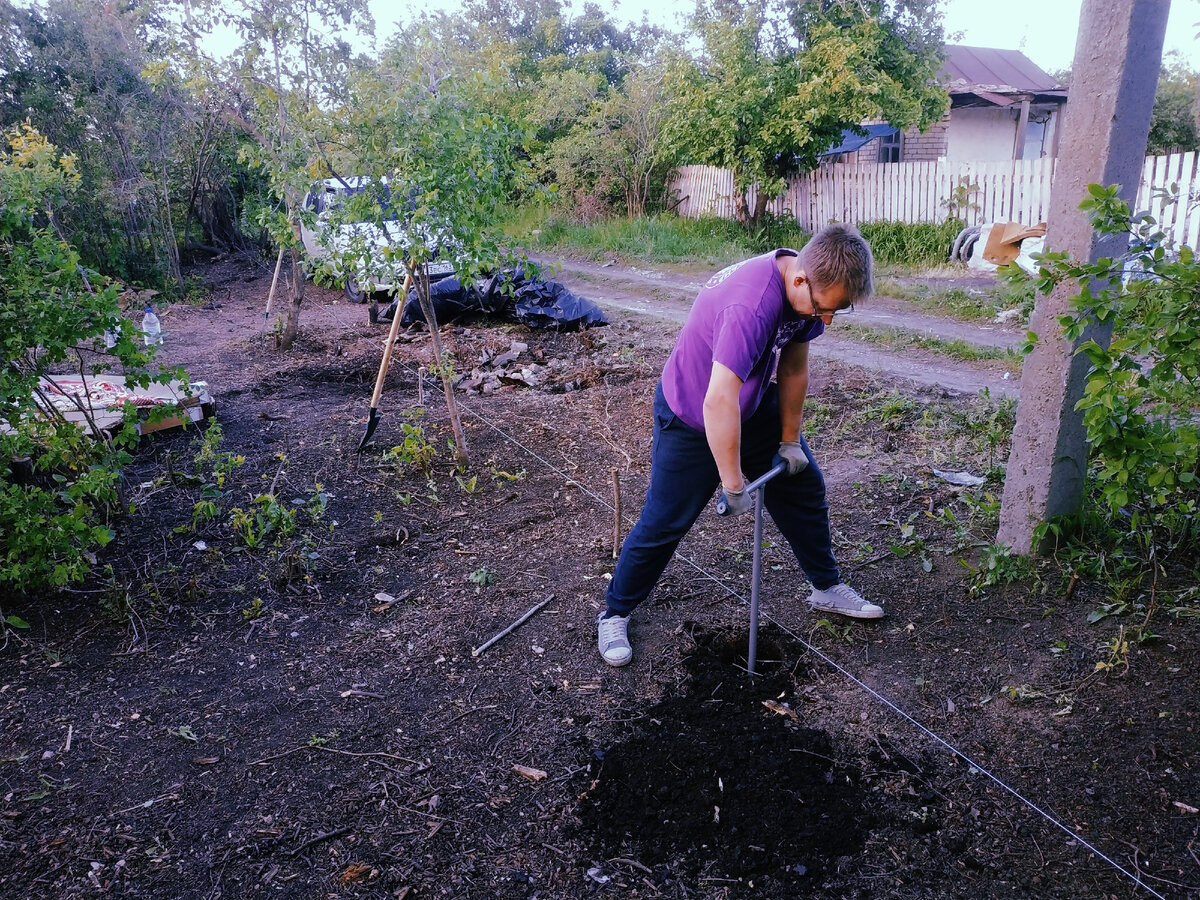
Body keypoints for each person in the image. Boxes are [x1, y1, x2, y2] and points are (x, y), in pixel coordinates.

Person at [597, 224, 882, 668]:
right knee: (665, 520)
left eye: (838, 312)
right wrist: (733, 484)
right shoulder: (750, 305)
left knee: (803, 484)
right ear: (801, 280)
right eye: (826, 309)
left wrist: (789, 441)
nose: (826, 320)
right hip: (692, 413)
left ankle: (826, 588)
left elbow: (792, 369)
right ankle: (614, 613)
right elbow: (717, 401)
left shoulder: (806, 295)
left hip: (745, 405)